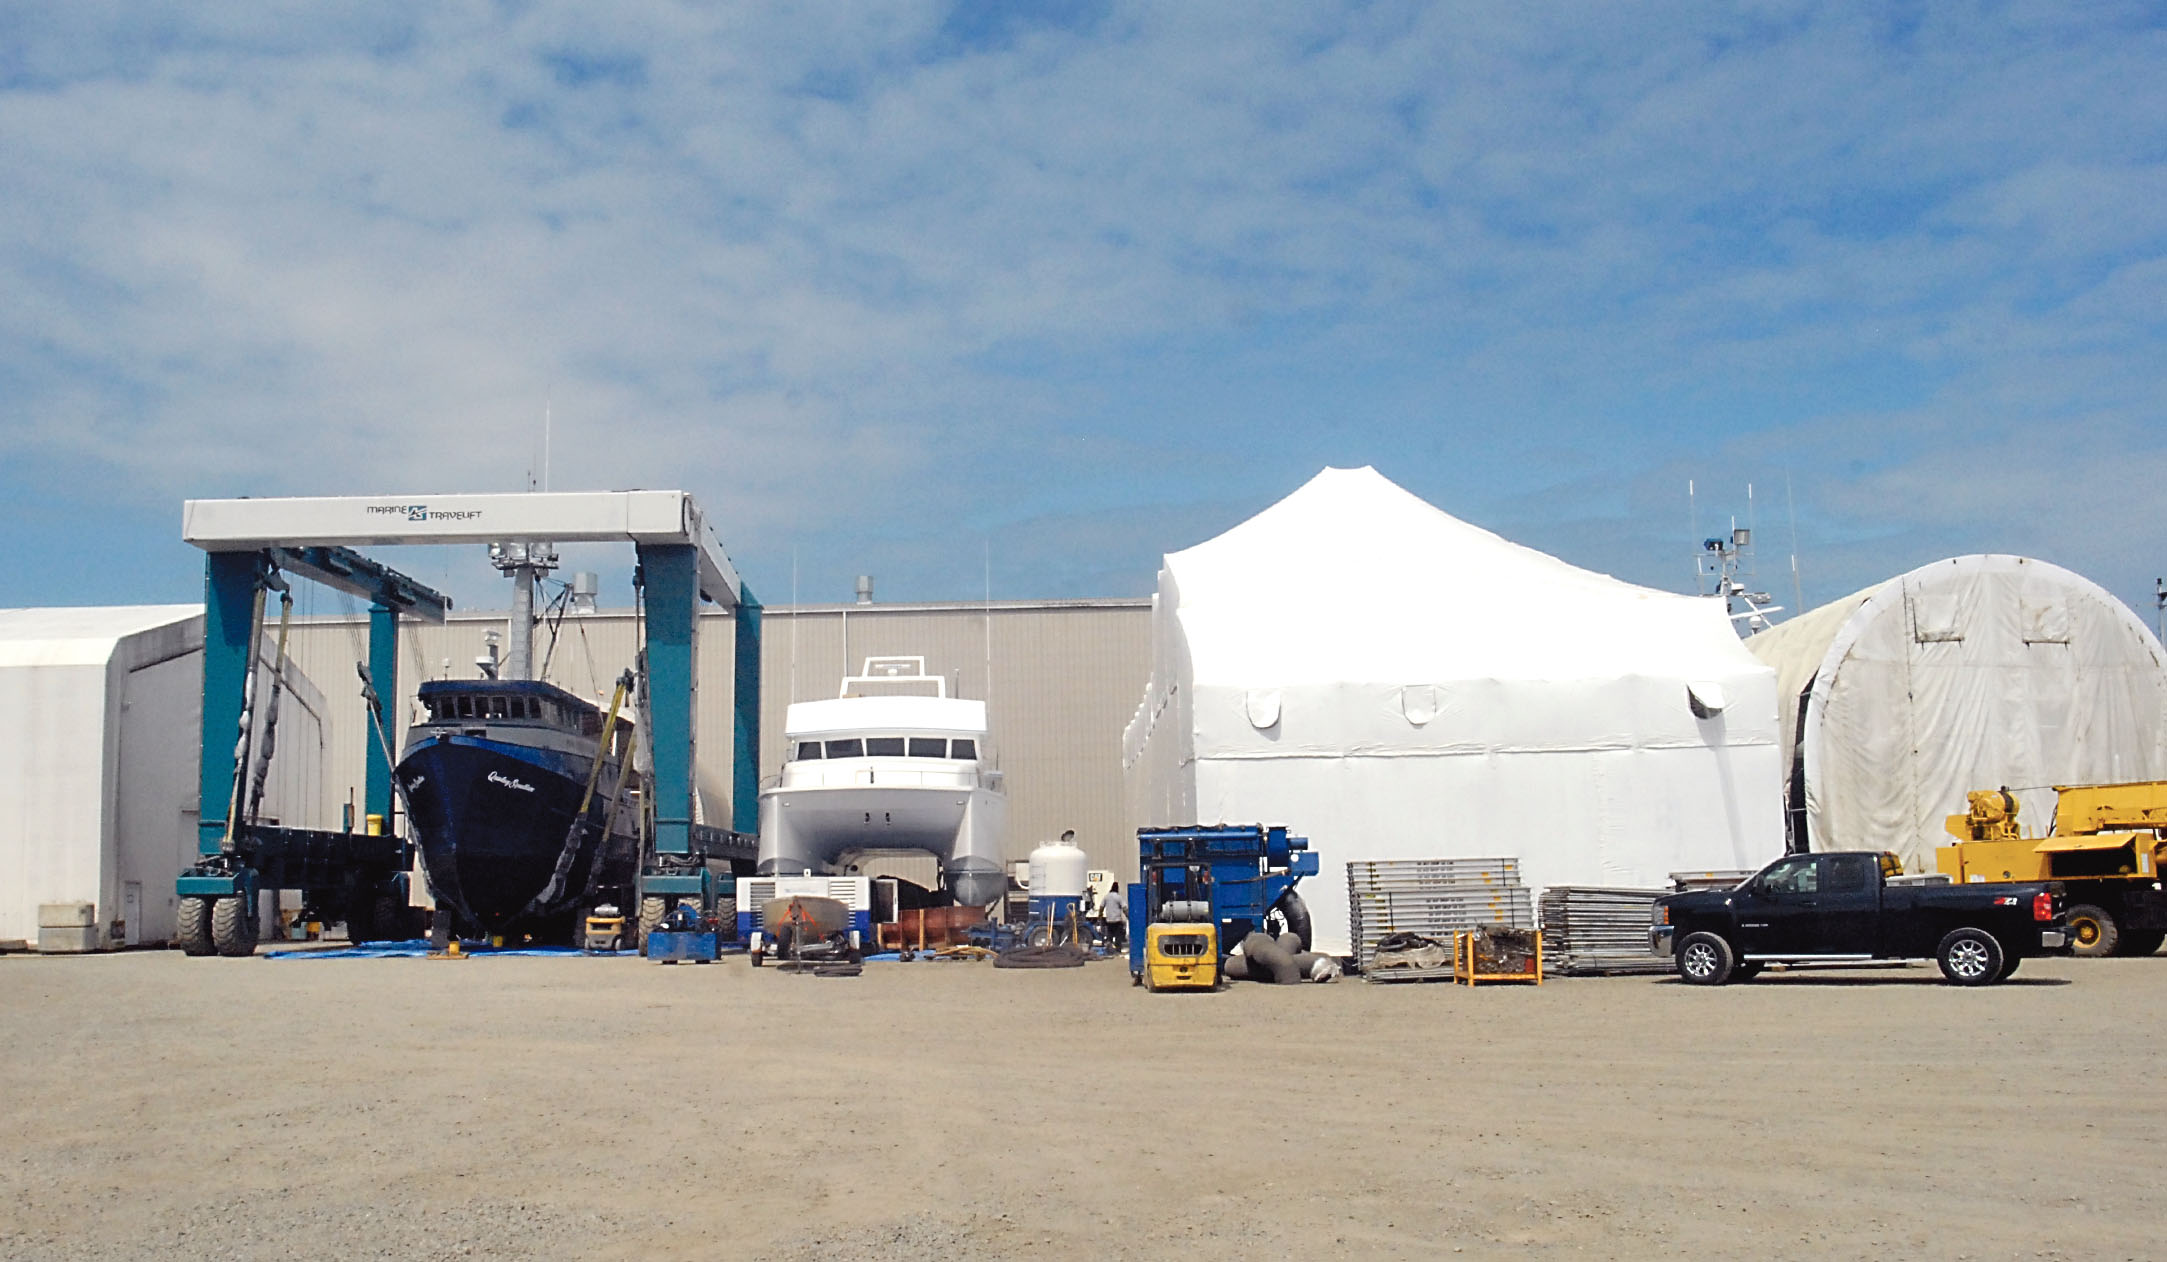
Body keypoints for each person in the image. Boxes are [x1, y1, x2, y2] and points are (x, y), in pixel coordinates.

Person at [1099, 881, 1127, 952]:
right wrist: (1128, 916)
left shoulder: (1106, 897)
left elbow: (1101, 907)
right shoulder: (1118, 897)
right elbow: (1124, 908)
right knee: (1118, 936)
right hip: (1117, 920)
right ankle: (1118, 950)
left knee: (1110, 936)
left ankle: (1109, 950)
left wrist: (1100, 915)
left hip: (1109, 920)